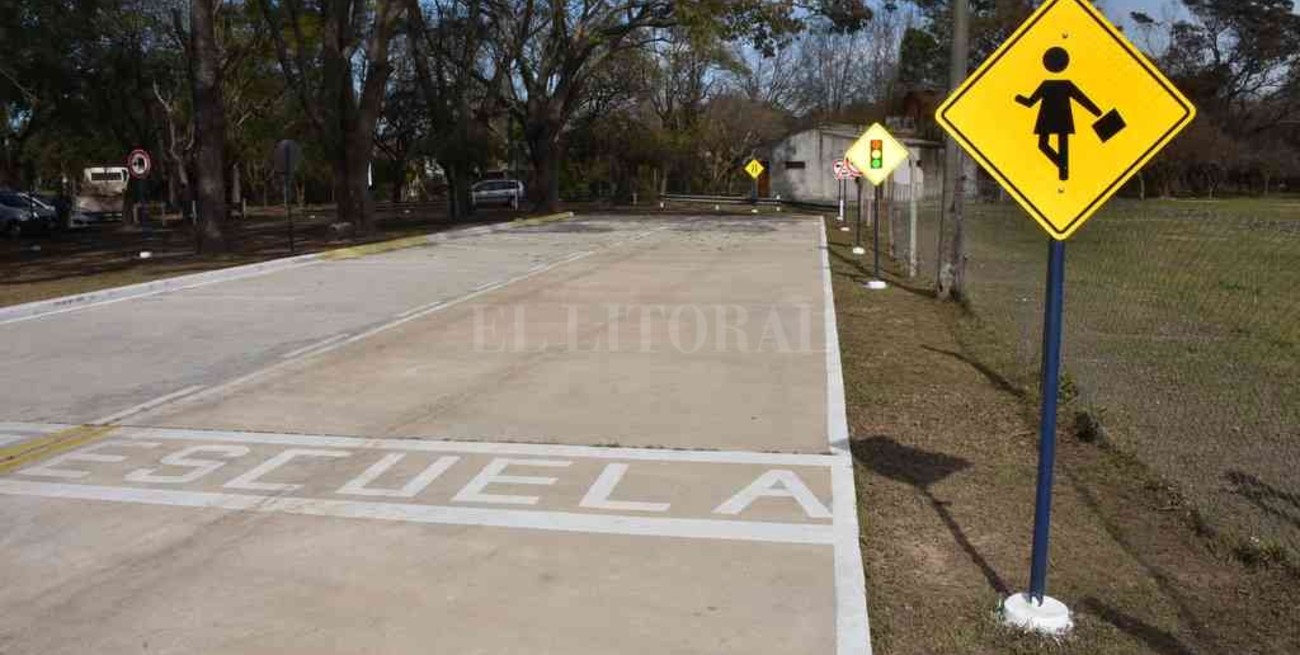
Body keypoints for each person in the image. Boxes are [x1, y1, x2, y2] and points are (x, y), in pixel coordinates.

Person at [1015, 47, 1102, 182]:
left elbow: (1082, 99)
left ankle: (1063, 170)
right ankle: (1062, 166)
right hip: (1053, 119)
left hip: (1054, 119)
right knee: (1045, 145)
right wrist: (1018, 98)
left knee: (1056, 145)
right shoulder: (1050, 84)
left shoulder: (1059, 84)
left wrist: (1097, 112)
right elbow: (1030, 102)